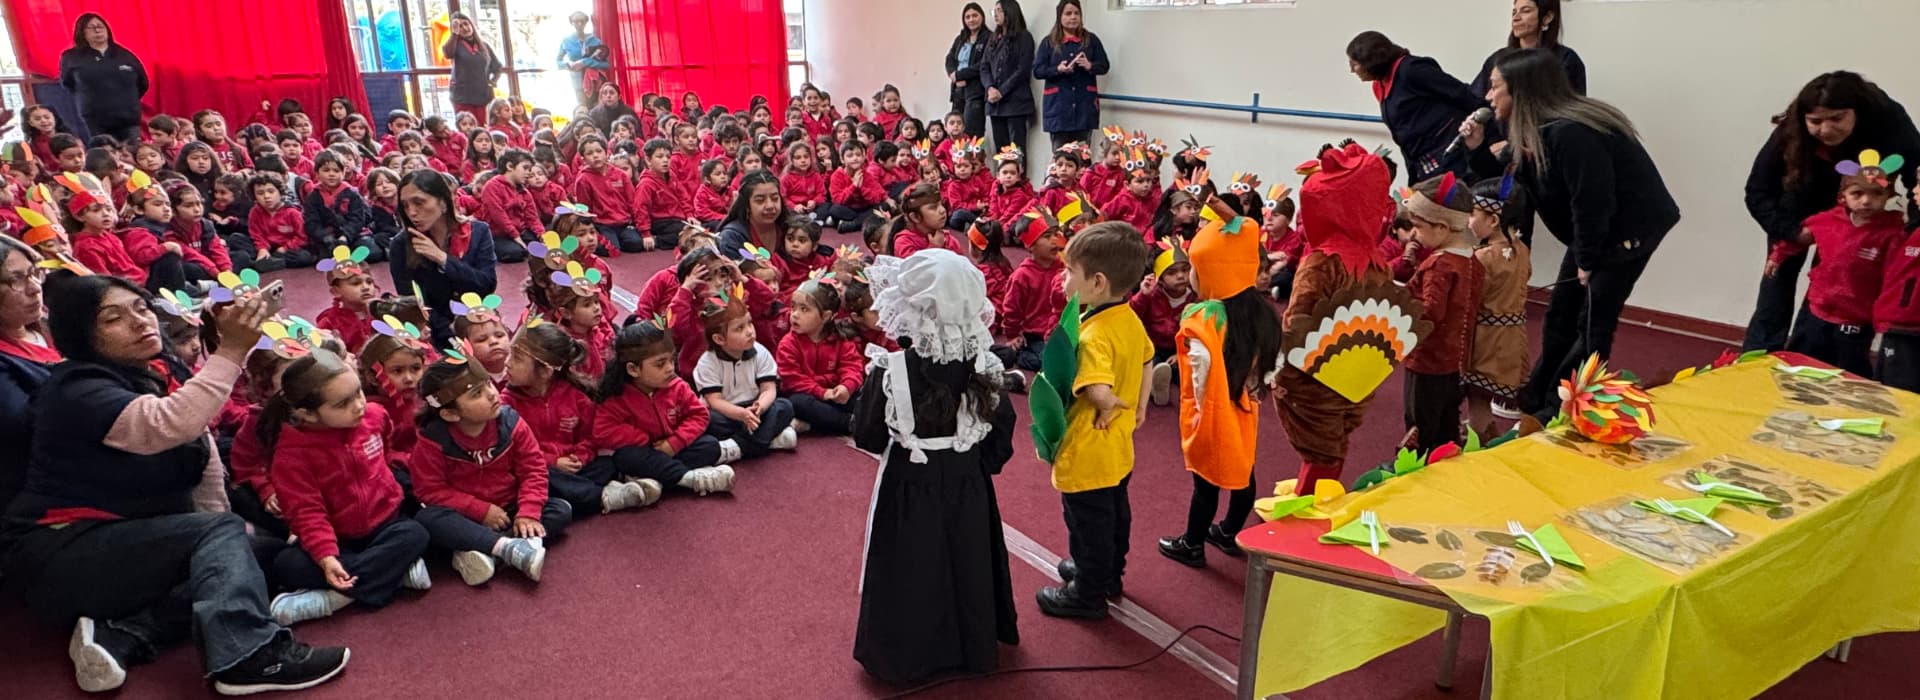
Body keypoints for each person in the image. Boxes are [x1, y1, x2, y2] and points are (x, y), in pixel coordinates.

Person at [2, 276, 351, 694]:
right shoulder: (76, 389)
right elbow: (170, 424)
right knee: (225, 539)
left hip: (125, 539)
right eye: (113, 318)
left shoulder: (152, 370)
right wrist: (232, 350)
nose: (140, 321)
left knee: (257, 554)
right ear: (81, 333)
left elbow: (199, 456)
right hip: (60, 551)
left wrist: (225, 534)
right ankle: (247, 656)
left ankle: (126, 632)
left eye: (141, 308)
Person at [1459, 48, 1679, 419]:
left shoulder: (1572, 133)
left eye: (1495, 87)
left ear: (1521, 91)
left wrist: (1588, 260)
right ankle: (1539, 396)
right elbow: (1509, 186)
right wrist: (1477, 149)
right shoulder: (1536, 130)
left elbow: (1592, 200)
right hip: (1594, 230)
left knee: (1592, 321)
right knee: (1561, 314)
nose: (1488, 96)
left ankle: (1567, 406)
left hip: (1627, 231)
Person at [852, 248, 1019, 683]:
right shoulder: (985, 367)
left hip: (910, 481)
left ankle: (908, 657)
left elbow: (867, 434)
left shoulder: (890, 370)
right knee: (968, 558)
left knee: (913, 563)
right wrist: (975, 463)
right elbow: (1001, 435)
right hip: (967, 479)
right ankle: (973, 646)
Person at [1742, 72, 1920, 351]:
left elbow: (1916, 178)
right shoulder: (1792, 130)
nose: (1826, 130)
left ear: (1856, 111)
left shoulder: (1889, 120)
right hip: (1797, 206)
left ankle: (1810, 353)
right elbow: (1758, 190)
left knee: (1835, 290)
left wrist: (1912, 235)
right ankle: (1757, 357)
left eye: (1837, 118)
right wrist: (1791, 232)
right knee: (1776, 285)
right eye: (1815, 121)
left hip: (1857, 215)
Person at [257, 350, 431, 626]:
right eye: (342, 404)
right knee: (288, 565)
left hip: (386, 523)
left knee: (417, 533)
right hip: (337, 538)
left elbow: (385, 450)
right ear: (307, 413)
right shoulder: (291, 456)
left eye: (358, 393)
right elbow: (306, 512)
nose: (359, 405)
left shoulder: (375, 415)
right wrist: (326, 557)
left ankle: (336, 599)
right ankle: (393, 575)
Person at [408, 356, 557, 587]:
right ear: (450, 414)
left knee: (560, 509)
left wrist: (528, 511)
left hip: (510, 507)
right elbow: (430, 491)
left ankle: (486, 552)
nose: (491, 394)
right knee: (427, 519)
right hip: (467, 516)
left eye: (488, 383)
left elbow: (533, 469)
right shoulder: (433, 441)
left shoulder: (510, 422)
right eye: (476, 393)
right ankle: (508, 548)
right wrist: (481, 510)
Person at [1776, 152, 1905, 376]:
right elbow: (1800, 236)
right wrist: (1777, 256)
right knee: (1802, 363)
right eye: (1857, 193)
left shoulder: (1892, 233)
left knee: (1849, 370)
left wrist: (1886, 315)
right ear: (1843, 195)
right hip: (1817, 308)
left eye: (1876, 193)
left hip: (1857, 316)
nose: (1866, 201)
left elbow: (1894, 277)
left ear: (1888, 195)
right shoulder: (1829, 220)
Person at [590, 318, 737, 495]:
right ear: (633, 369)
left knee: (710, 445)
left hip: (672, 447)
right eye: (660, 364)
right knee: (626, 458)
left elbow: (699, 415)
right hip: (645, 451)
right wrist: (643, 439)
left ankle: (656, 479)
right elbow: (603, 431)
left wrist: (674, 443)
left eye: (671, 360)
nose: (670, 368)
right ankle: (690, 479)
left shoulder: (677, 386)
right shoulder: (617, 396)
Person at [1398, 174, 1485, 455]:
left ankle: (1417, 470)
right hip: (1456, 361)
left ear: (1442, 226)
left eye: (1418, 226)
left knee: (1420, 426)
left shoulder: (1440, 265)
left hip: (1427, 361)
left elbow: (1429, 313)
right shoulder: (1471, 260)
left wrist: (1397, 305)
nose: (1414, 234)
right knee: (1447, 423)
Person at [1347, 31, 1483, 184]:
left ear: (1371, 61)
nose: (1352, 70)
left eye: (1355, 64)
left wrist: (1490, 132)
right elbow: (1403, 135)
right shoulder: (1380, 86)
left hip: (1454, 155)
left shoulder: (1411, 69)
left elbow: (1461, 94)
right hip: (1424, 164)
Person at [388, 170, 499, 349]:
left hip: (479, 322)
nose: (412, 212)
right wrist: (452, 336)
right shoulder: (401, 245)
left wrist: (443, 259)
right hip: (435, 334)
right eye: (405, 206)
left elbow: (486, 284)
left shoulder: (478, 231)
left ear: (443, 202)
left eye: (419, 202)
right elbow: (415, 305)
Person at [1464, 176, 1532, 437]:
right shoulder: (1521, 249)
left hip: (1487, 339)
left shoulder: (1482, 257)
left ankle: (1479, 436)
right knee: (1488, 391)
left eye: (1472, 214)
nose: (1469, 221)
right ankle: (1483, 428)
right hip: (1513, 336)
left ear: (1493, 220)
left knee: (1478, 395)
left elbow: (1472, 297)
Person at [0, 236, 53, 507]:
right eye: (16, 280)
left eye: (33, 274)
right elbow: (25, 425)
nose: (34, 288)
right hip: (40, 495)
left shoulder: (51, 327)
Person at [1031, 0, 1109, 152]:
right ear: (1059, 17)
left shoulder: (1091, 40)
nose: (1073, 17)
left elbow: (1104, 66)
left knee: (1082, 155)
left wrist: (1090, 66)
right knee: (1060, 156)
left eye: (1076, 13)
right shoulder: (1049, 42)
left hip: (1084, 109)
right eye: (1068, 14)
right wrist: (1057, 69)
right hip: (1058, 110)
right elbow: (1037, 71)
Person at [58, 14, 148, 143]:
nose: (97, 30)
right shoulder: (71, 57)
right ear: (82, 32)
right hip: (95, 118)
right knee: (104, 151)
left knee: (133, 150)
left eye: (100, 26)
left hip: (128, 117)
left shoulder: (124, 54)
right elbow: (68, 83)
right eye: (92, 27)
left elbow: (142, 83)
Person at [1470, 0, 1586, 100]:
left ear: (1547, 17)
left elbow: (1570, 109)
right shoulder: (1498, 59)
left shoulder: (1565, 59)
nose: (1516, 18)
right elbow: (1475, 99)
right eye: (1514, 12)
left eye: (1525, 11)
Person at [980, 0, 1036, 168]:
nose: (996, 15)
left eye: (999, 10)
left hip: (1015, 102)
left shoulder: (1024, 37)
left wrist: (1001, 91)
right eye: (994, 11)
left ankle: (1019, 182)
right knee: (1001, 151)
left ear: (1010, 12)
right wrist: (990, 87)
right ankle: (1002, 181)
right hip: (994, 104)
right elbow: (984, 66)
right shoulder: (993, 38)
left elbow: (1022, 70)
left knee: (1016, 150)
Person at [443, 13, 504, 124]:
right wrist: (454, 34)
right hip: (462, 97)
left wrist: (493, 82)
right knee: (467, 128)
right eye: (460, 26)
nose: (464, 28)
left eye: (466, 24)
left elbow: (498, 67)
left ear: (471, 24)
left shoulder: (484, 46)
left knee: (483, 127)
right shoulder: (455, 45)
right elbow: (447, 53)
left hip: (482, 95)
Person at [945, 4, 992, 139]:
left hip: (976, 91)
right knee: (955, 132)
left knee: (972, 133)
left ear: (982, 17)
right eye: (968, 17)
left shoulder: (989, 37)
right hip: (958, 91)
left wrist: (961, 75)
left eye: (975, 15)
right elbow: (950, 58)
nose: (971, 20)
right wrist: (953, 74)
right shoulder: (961, 38)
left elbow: (984, 64)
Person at [557, 12, 612, 106]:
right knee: (582, 108)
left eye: (582, 21)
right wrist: (568, 64)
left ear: (586, 22)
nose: (579, 24)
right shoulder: (566, 41)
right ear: (571, 22)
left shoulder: (595, 41)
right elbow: (558, 62)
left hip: (595, 82)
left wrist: (586, 62)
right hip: (577, 81)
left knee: (597, 108)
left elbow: (606, 65)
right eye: (576, 21)